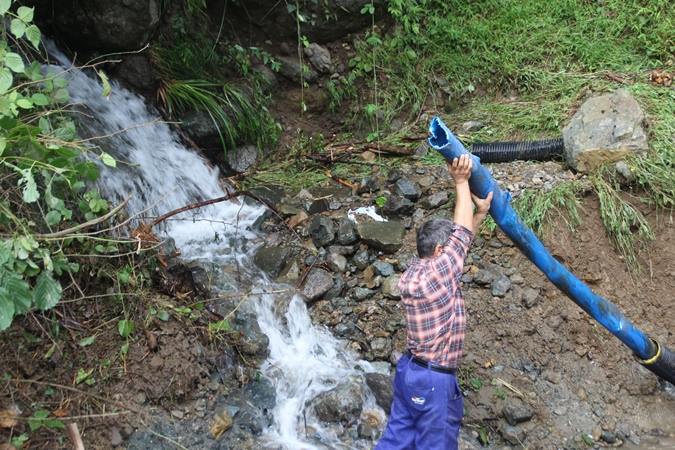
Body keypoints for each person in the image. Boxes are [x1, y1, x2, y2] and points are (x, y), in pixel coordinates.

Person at [375, 154, 493, 450]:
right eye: (450, 245)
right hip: (433, 380)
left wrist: (477, 216)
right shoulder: (439, 273)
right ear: (440, 249)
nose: (457, 247)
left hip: (409, 372)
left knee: (396, 440)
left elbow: (460, 244)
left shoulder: (416, 272)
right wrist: (461, 181)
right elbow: (461, 237)